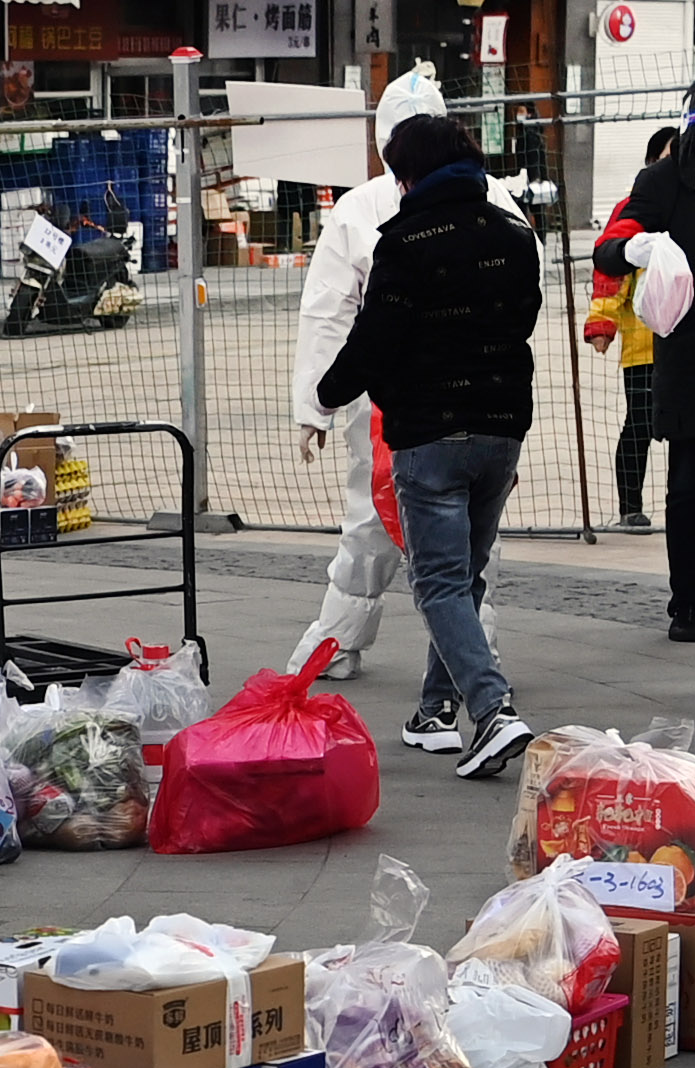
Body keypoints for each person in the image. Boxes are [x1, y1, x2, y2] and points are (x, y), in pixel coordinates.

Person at [317, 113, 541, 773]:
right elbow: (523, 318)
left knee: (438, 581)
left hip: (431, 430)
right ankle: (434, 711)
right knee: (464, 574)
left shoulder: (405, 240)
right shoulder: (514, 234)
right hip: (501, 425)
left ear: (408, 175)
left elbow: (375, 337)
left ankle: (492, 710)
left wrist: (328, 393)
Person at [287, 63, 452, 672]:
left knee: (372, 515)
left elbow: (328, 313)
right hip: (469, 393)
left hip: (386, 392)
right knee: (462, 530)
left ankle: (339, 641)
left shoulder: (360, 209)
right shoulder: (490, 197)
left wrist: (316, 405)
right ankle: (471, 652)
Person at [598, 78, 695, 639]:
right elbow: (611, 244)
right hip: (688, 353)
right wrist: (630, 247)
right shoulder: (663, 180)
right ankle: (687, 601)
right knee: (686, 487)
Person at [582, 127, 678, 531]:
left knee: (691, 427)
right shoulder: (633, 208)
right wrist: (602, 321)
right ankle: (630, 506)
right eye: (670, 155)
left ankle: (688, 502)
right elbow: (611, 271)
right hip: (643, 342)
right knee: (639, 422)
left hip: (688, 339)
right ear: (653, 161)